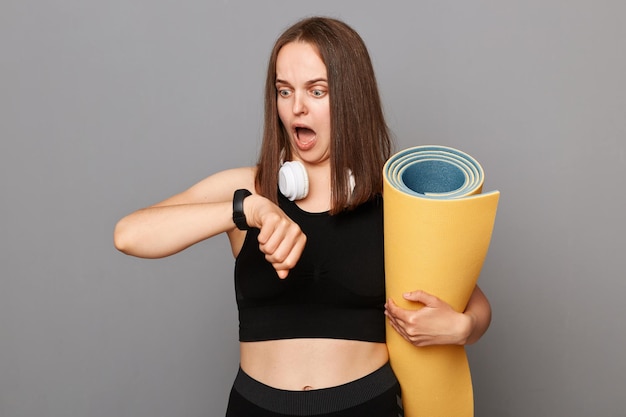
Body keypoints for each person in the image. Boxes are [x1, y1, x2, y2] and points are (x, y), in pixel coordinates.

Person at [114, 16, 491, 417]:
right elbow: (129, 234)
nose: (296, 107)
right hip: (256, 407)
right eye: (284, 90)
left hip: (364, 406)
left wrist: (463, 329)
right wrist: (246, 209)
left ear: (350, 98)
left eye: (317, 90)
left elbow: (474, 303)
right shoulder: (250, 188)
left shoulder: (393, 201)